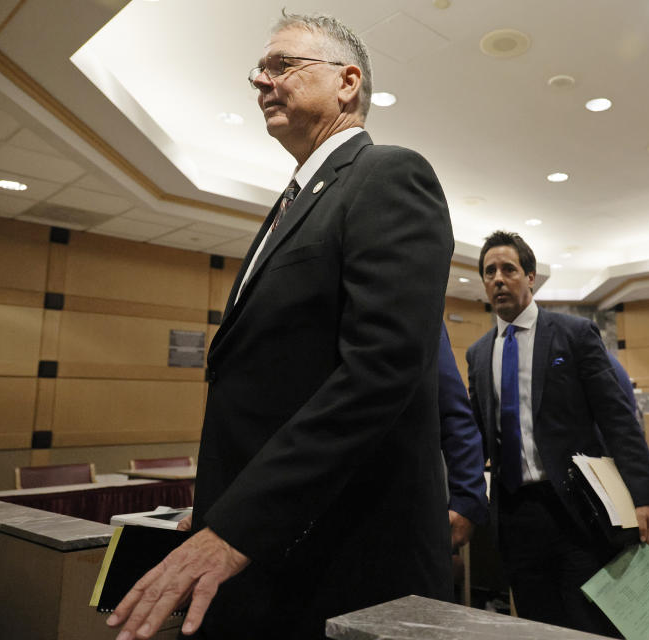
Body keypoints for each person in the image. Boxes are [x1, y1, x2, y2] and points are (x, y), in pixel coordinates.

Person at [108, 13, 454, 640]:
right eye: (258, 71)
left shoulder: (389, 176)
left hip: (345, 562)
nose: (260, 81)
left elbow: (378, 372)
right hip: (276, 548)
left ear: (347, 82)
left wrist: (239, 524)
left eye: (282, 65)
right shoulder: (297, 199)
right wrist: (218, 505)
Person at [466, 230, 649, 637]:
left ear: (531, 277)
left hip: (577, 510)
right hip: (516, 515)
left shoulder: (574, 334)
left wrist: (646, 496)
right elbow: (478, 434)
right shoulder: (478, 353)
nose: (499, 279)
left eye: (509, 269)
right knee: (538, 622)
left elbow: (618, 418)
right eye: (490, 272)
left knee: (590, 622)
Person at [438, 323, 489, 549]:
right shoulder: (479, 352)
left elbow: (456, 414)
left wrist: (467, 498)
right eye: (486, 282)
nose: (496, 284)